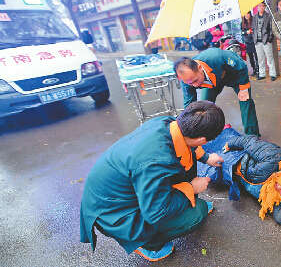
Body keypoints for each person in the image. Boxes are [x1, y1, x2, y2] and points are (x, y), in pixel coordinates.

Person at [80, 101, 226, 262]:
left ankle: (181, 203)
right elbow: (156, 213)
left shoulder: (170, 124)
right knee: (197, 212)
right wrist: (191, 188)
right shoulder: (155, 162)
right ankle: (146, 243)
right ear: (202, 140)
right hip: (114, 211)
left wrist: (206, 157)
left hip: (120, 190)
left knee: (186, 166)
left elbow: (190, 147)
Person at [224, 135, 281, 225]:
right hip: (236, 156)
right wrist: (230, 144)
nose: (278, 186)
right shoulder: (274, 157)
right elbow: (249, 142)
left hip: (232, 175)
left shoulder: (278, 199)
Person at [175, 48, 260, 136]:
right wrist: (186, 126)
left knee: (245, 101)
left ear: (199, 68)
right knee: (204, 108)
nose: (195, 85)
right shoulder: (187, 81)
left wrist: (243, 88)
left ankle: (252, 135)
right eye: (190, 83)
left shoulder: (216, 56)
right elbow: (189, 105)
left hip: (233, 75)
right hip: (210, 83)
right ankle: (208, 133)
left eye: (195, 81)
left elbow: (241, 66)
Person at [252, 2, 277, 81]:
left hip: (266, 40)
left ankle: (273, 74)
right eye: (259, 6)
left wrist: (269, 39)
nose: (261, 7)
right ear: (257, 7)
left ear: (265, 7)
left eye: (263, 6)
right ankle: (262, 74)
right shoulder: (254, 17)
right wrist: (254, 38)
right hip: (257, 41)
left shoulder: (268, 16)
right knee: (260, 59)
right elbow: (253, 28)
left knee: (270, 58)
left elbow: (271, 29)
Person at [242, 11, 259, 77]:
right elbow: (242, 32)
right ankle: (254, 69)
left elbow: (256, 29)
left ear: (250, 14)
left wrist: (252, 31)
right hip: (247, 43)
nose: (247, 15)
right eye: (245, 14)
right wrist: (246, 32)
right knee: (251, 57)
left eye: (248, 13)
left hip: (254, 41)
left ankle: (258, 70)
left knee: (256, 56)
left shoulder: (253, 21)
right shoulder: (243, 23)